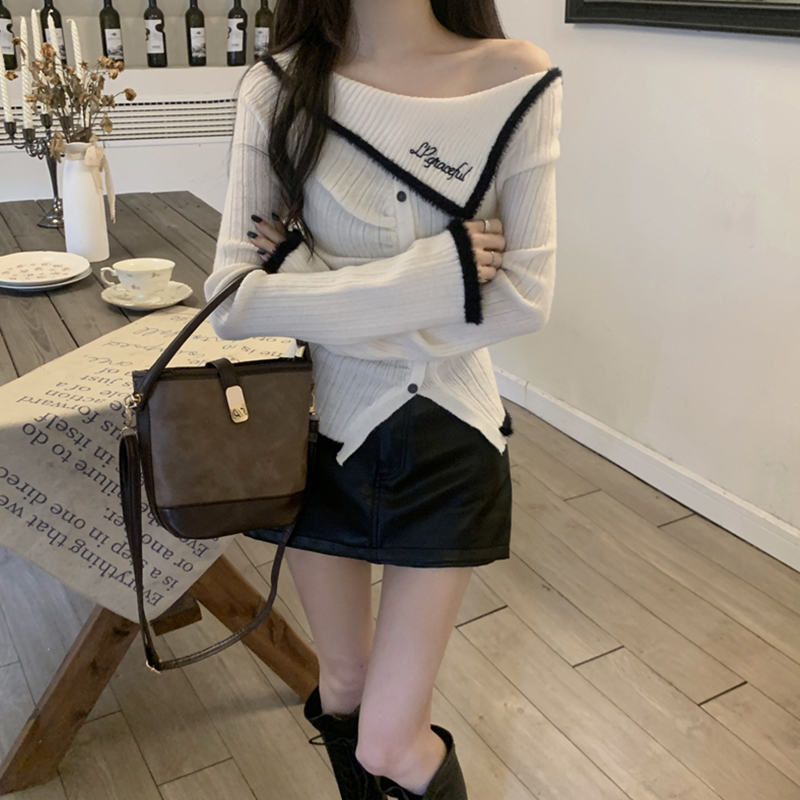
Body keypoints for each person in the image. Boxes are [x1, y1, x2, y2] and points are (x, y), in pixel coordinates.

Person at [203, 1, 563, 797]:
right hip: (315, 438)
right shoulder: (277, 88)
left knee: (391, 741)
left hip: (450, 440)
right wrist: (433, 279)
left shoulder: (516, 79)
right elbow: (232, 298)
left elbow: (522, 300)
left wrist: (307, 285)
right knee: (343, 687)